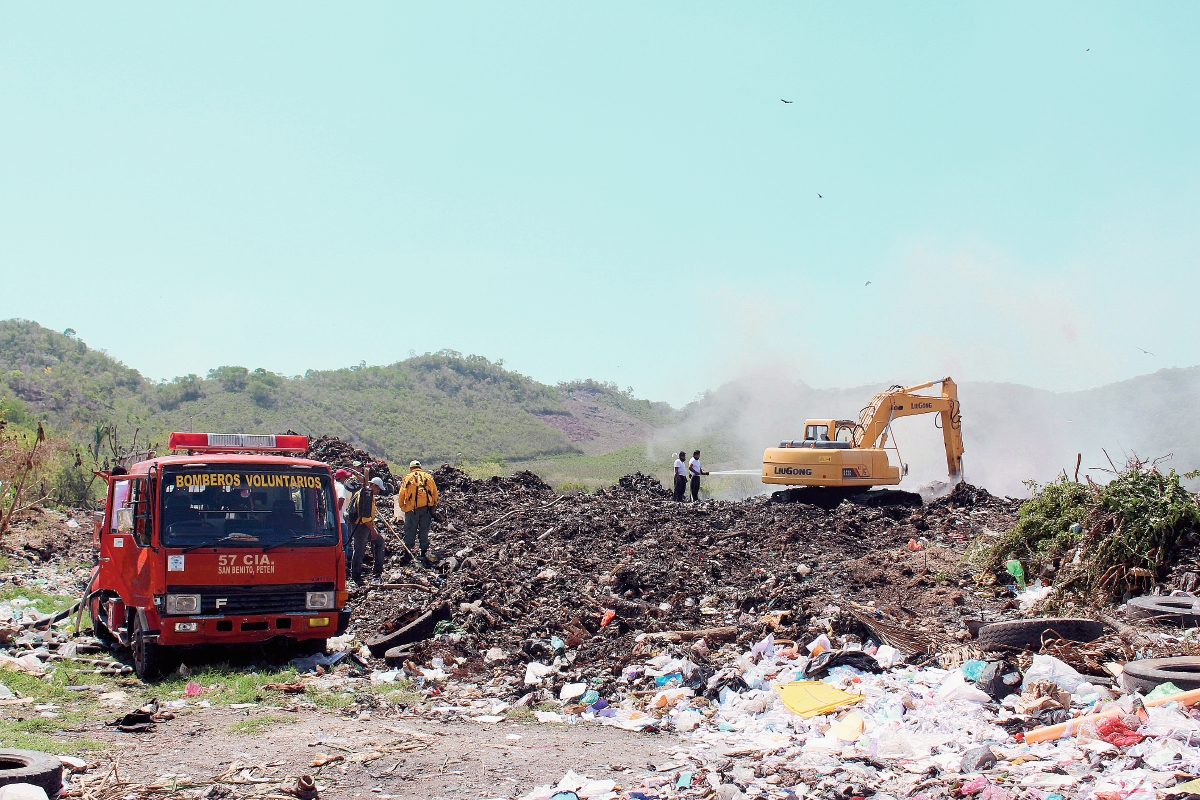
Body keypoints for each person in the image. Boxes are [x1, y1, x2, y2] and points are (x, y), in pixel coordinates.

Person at [398, 460, 438, 565]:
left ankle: (408, 552)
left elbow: (401, 494)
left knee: (410, 530)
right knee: (424, 530)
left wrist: (403, 507)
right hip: (426, 509)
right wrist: (432, 506)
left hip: (412, 510)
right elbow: (435, 493)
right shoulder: (428, 477)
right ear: (420, 467)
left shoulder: (407, 478)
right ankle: (423, 552)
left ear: (411, 468)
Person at [349, 477, 387, 585]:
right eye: (378, 489)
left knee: (379, 542)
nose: (378, 491)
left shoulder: (364, 493)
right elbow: (365, 517)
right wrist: (372, 530)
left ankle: (377, 571)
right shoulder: (366, 495)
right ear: (374, 486)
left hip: (365, 525)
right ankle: (356, 577)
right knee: (359, 551)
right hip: (361, 526)